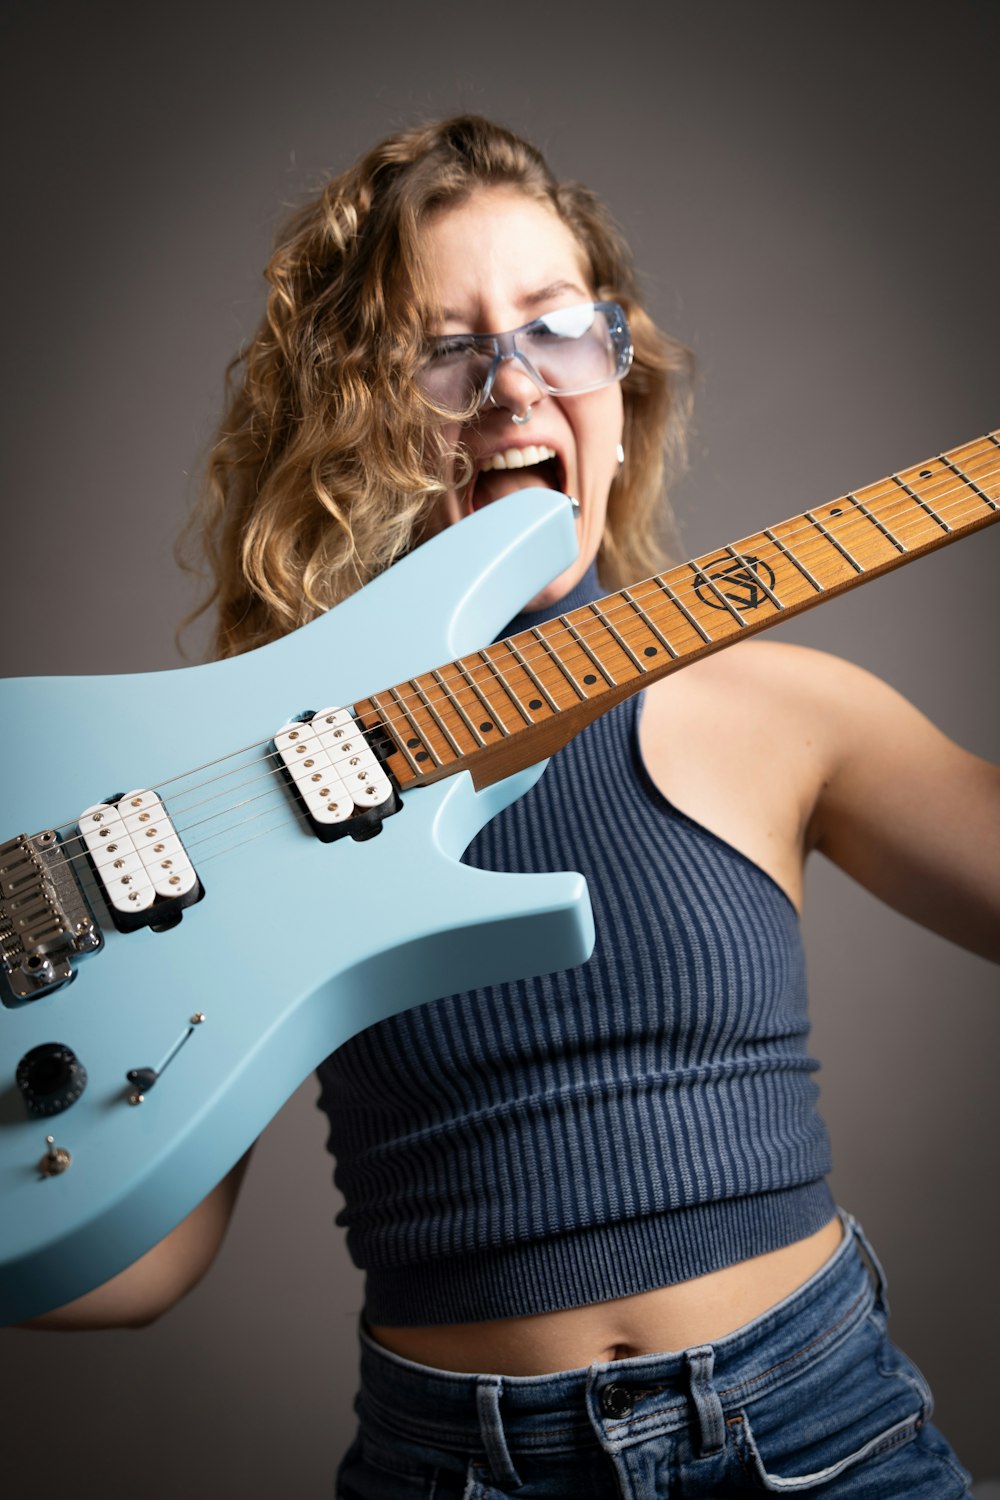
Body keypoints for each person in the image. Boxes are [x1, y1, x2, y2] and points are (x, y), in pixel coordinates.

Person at [26, 116, 997, 1497]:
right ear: (356, 411)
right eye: (442, 347)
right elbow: (144, 1266)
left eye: (558, 327)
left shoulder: (777, 705)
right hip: (458, 1471)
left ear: (620, 373)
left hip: (823, 1431)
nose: (512, 386)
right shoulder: (250, 779)